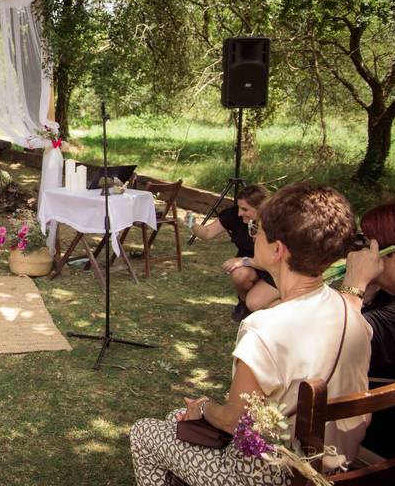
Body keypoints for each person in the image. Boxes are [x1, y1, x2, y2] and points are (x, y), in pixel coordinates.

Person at [131, 183, 372, 485]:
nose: (252, 235)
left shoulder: (265, 328)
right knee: (177, 421)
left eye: (257, 229)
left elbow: (236, 422)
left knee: (144, 431)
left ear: (278, 249)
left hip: (270, 473)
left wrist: (203, 407)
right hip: (332, 466)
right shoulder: (352, 310)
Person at [341, 198, 395, 458]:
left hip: (374, 449)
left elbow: (333, 339)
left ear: (392, 255)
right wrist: (368, 294)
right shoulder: (387, 296)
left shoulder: (393, 317)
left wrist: (354, 285)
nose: (362, 252)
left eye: (368, 243)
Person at [186, 184, 279, 320]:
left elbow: (271, 261)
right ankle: (244, 304)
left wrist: (242, 260)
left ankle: (290, 307)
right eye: (239, 207)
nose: (240, 213)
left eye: (245, 209)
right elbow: (207, 233)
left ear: (261, 209)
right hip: (252, 265)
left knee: (255, 303)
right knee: (239, 275)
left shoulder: (275, 223)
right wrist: (192, 224)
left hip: (274, 270)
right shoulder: (236, 215)